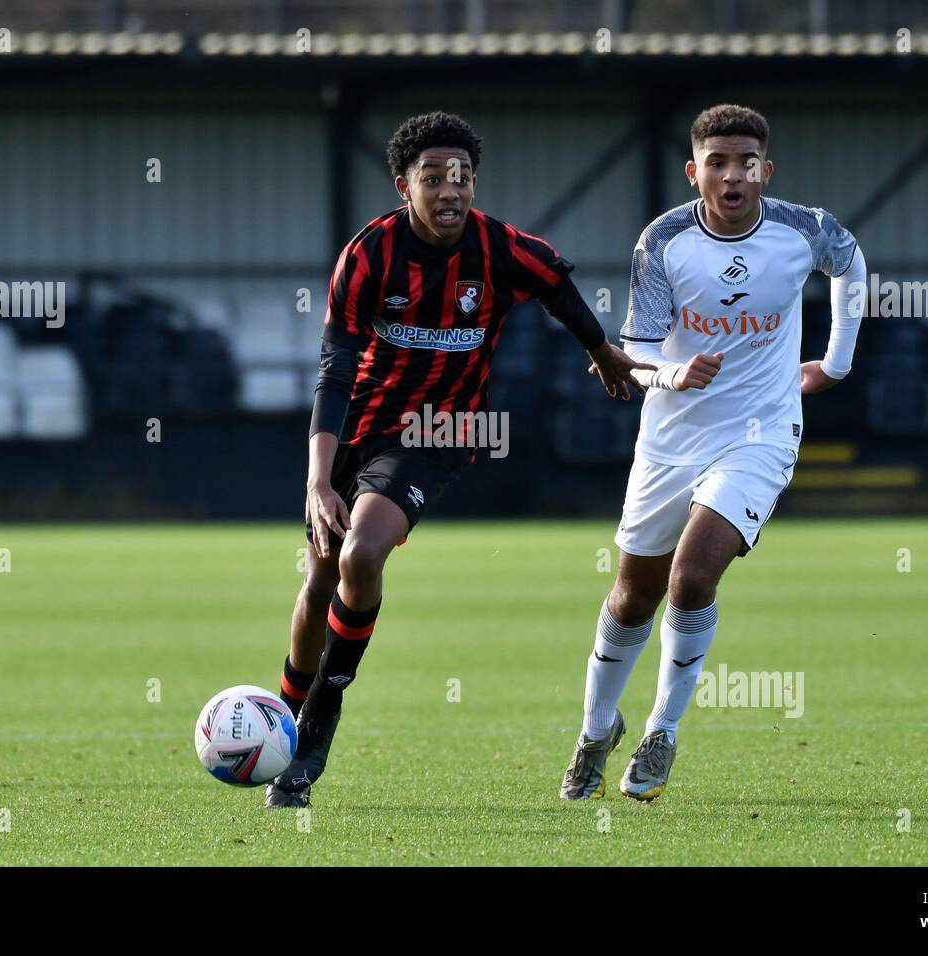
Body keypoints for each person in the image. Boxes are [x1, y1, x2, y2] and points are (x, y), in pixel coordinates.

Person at [266, 110, 652, 807]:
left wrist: (600, 349)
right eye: (434, 177)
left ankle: (318, 724)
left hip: (438, 432)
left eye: (464, 177)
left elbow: (561, 292)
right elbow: (334, 367)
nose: (452, 189)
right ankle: (278, 719)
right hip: (358, 429)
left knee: (359, 556)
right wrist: (317, 481)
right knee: (322, 576)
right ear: (403, 186)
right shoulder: (368, 256)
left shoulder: (502, 249)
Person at [560, 103, 867, 801]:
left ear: (766, 170)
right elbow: (636, 346)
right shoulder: (664, 240)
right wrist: (671, 372)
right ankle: (595, 730)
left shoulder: (802, 230)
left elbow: (851, 264)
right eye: (718, 163)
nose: (733, 175)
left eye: (746, 162)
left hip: (759, 434)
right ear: (694, 171)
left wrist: (836, 362)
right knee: (633, 595)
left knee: (691, 577)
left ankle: (662, 731)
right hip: (672, 437)